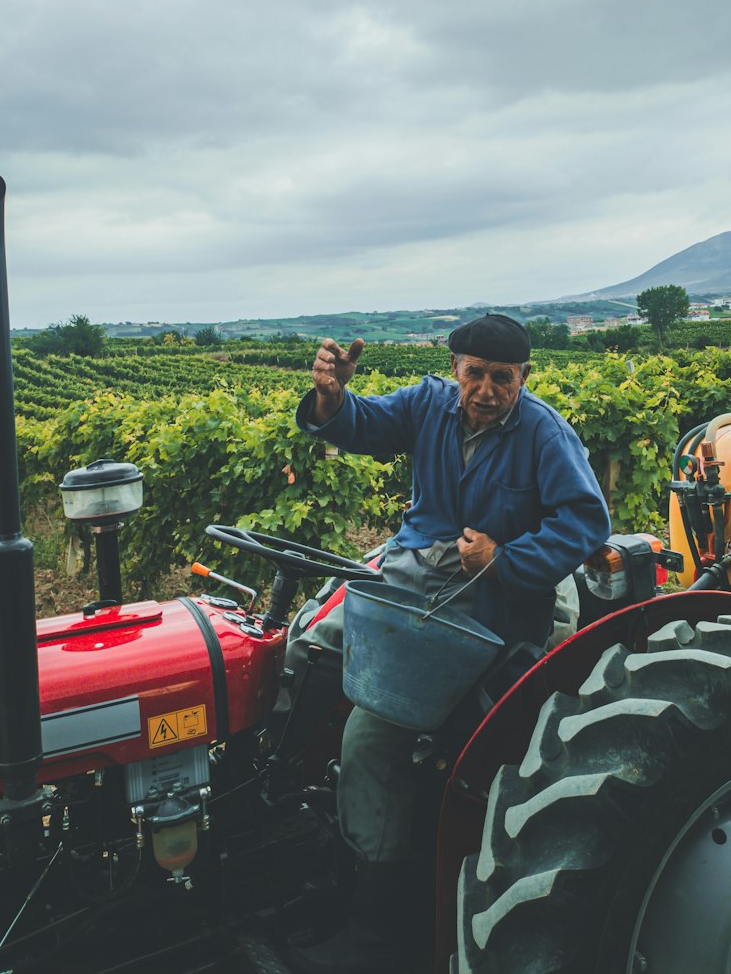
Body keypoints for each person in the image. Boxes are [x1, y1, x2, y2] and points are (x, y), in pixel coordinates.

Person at [285, 313, 611, 974]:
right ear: (454, 367)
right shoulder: (428, 404)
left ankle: (374, 930)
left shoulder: (544, 433)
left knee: (371, 737)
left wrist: (505, 554)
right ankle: (300, 853)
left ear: (524, 377)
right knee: (302, 660)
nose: (486, 389)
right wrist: (330, 398)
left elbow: (584, 521)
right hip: (409, 576)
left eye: (502, 377)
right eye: (475, 373)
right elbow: (362, 425)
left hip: (490, 598)